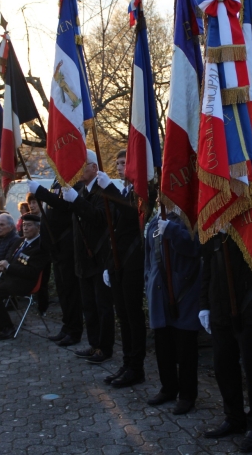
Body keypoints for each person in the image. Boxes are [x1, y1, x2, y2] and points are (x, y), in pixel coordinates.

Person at [30, 149, 115, 365]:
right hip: (81, 255)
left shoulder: (100, 191)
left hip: (97, 255)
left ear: (94, 168)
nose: (76, 169)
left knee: (100, 305)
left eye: (81, 165)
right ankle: (95, 344)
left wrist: (71, 199)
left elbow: (96, 218)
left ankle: (103, 348)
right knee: (88, 304)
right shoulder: (84, 190)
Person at [200, 230, 252, 453]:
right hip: (220, 304)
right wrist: (204, 303)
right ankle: (234, 417)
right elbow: (207, 264)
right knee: (223, 365)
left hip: (250, 305)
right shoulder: (213, 227)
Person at [144, 211, 203, 415]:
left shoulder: (192, 219)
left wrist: (174, 232)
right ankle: (168, 388)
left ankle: (187, 395)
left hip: (183, 294)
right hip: (159, 293)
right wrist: (148, 281)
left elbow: (195, 248)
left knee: (185, 348)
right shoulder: (156, 220)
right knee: (163, 344)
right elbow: (149, 255)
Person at [100, 150, 148, 388]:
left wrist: (108, 189)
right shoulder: (124, 191)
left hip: (133, 263)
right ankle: (127, 362)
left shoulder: (140, 192)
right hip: (118, 263)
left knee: (132, 314)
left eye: (124, 163)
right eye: (117, 163)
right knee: (123, 315)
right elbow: (114, 231)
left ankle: (136, 367)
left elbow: (132, 215)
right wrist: (109, 264)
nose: (119, 167)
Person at [0, 213, 49, 341]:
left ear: (38, 228)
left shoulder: (40, 246)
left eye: (29, 225)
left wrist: (9, 267)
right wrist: (3, 265)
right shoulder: (20, 241)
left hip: (24, 282)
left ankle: (8, 327)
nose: (25, 228)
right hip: (9, 278)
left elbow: (31, 272)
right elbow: (9, 259)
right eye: (24, 225)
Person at [36, 181, 83, 347]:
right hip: (55, 246)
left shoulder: (76, 184)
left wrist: (40, 192)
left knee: (71, 290)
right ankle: (67, 326)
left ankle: (75, 330)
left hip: (67, 244)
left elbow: (64, 206)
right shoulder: (57, 182)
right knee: (62, 290)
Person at [26, 193, 50, 315]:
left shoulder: (45, 217)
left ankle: (43, 308)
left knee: (43, 281)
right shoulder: (27, 217)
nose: (31, 205)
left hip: (43, 252)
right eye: (30, 203)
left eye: (34, 202)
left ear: (40, 203)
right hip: (30, 253)